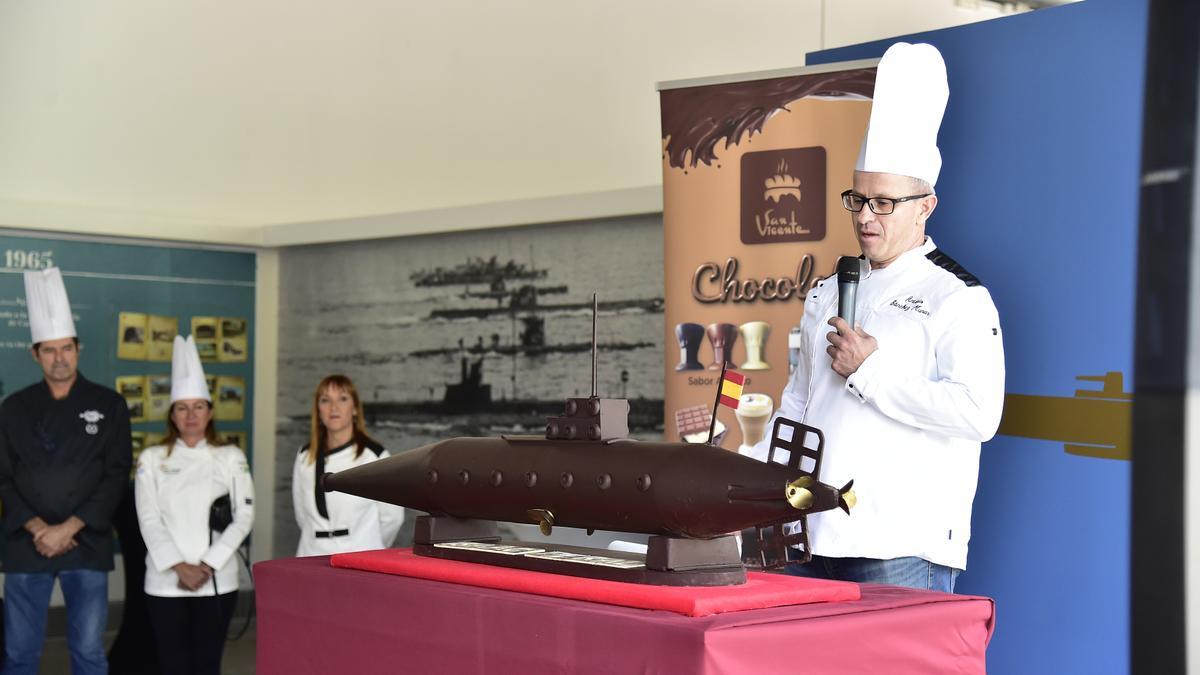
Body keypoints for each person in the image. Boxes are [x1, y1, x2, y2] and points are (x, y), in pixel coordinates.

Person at [742, 43, 1005, 593]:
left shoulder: (957, 297)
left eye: (883, 203)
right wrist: (751, 473)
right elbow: (800, 400)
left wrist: (871, 372)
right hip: (809, 535)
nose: (865, 216)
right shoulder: (828, 290)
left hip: (900, 544)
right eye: (857, 200)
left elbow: (980, 415)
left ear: (924, 205)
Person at [0, 268, 131, 674]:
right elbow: (3, 476)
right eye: (50, 350)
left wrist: (68, 528)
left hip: (86, 544)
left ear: (78, 348)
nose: (60, 358)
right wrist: (40, 529)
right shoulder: (14, 408)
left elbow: (115, 472)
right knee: (19, 654)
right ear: (34, 354)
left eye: (66, 348)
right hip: (26, 545)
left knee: (88, 652)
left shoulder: (109, 404)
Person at [134, 335, 253, 675]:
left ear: (210, 412)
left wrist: (207, 565)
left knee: (207, 663)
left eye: (198, 406)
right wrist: (179, 566)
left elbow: (244, 517)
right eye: (182, 407)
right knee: (171, 663)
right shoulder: (152, 458)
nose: (190, 415)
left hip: (216, 580)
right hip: (164, 582)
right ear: (171, 414)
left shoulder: (231, 456)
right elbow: (148, 518)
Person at [293, 374, 404, 556]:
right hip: (309, 554)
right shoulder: (304, 456)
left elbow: (392, 518)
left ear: (354, 408)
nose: (334, 407)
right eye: (325, 400)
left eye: (343, 399)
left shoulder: (374, 456)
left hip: (359, 555)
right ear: (318, 410)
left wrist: (369, 543)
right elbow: (302, 515)